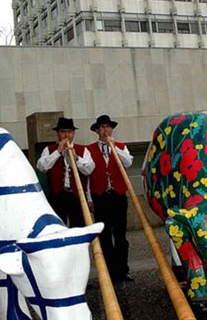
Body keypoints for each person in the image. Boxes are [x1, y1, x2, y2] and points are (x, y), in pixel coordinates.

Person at [87, 114, 134, 282]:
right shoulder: (89, 150)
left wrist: (114, 146)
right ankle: (109, 272)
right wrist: (89, 198)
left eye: (107, 127)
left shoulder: (121, 146)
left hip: (118, 195)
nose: (104, 130)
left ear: (111, 129)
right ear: (96, 131)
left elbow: (128, 163)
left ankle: (123, 270)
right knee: (105, 236)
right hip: (100, 196)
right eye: (101, 128)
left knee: (120, 235)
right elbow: (87, 176)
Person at [36, 117, 94, 228]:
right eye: (63, 132)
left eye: (69, 132)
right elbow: (41, 167)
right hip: (57, 196)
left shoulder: (83, 150)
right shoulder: (49, 149)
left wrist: (76, 158)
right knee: (57, 228)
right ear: (57, 133)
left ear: (73, 133)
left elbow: (89, 170)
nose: (66, 135)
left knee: (78, 228)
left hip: (77, 196)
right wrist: (58, 151)